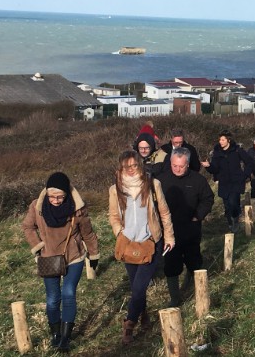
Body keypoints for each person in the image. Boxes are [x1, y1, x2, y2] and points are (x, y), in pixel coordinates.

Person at [22, 172, 100, 352]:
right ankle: (55, 334)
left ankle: (65, 337)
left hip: (74, 257)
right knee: (52, 299)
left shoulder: (77, 208)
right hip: (48, 257)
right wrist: (38, 245)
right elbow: (27, 226)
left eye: (60, 197)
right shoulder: (37, 206)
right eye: (52, 196)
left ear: (66, 194)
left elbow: (88, 233)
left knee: (68, 293)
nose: (56, 200)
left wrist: (93, 255)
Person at [108, 150, 175, 346]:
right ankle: (144, 315)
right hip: (128, 244)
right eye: (125, 166)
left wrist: (169, 236)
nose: (130, 170)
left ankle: (129, 323)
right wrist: (119, 233)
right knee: (136, 285)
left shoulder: (153, 185)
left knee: (139, 287)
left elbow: (164, 212)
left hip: (150, 243)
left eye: (134, 165)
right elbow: (113, 216)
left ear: (140, 164)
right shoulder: (115, 189)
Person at [158, 148, 214, 307]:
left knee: (194, 261)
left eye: (181, 166)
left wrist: (198, 215)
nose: (177, 169)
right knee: (171, 265)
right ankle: (175, 298)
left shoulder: (198, 180)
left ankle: (198, 292)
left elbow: (208, 199)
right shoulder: (161, 180)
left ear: (188, 164)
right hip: (170, 232)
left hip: (191, 230)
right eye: (174, 165)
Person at [201, 130, 255, 233]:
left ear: (228, 140)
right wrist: (208, 166)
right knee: (227, 206)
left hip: (236, 181)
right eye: (219, 140)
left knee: (233, 202)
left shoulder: (237, 150)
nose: (220, 142)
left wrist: (245, 175)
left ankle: (235, 219)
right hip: (224, 182)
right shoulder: (217, 153)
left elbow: (249, 162)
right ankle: (230, 222)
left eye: (223, 139)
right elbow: (215, 169)